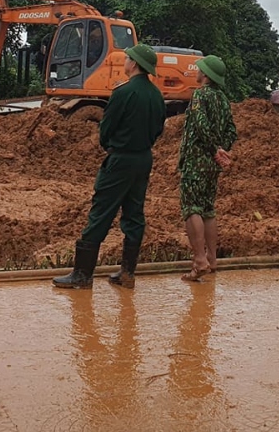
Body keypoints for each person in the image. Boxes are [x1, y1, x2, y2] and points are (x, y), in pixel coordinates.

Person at [53, 43, 166, 290]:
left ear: (134, 64)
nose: (124, 61)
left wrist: (109, 145)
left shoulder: (123, 92)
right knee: (134, 213)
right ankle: (127, 273)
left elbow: (107, 128)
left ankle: (82, 275)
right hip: (143, 158)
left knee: (101, 210)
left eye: (126, 58)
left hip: (120, 160)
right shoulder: (156, 95)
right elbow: (159, 129)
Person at [178, 54, 237, 283]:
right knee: (208, 209)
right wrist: (223, 150)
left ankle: (200, 261)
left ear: (205, 75)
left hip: (196, 161)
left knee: (192, 208)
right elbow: (232, 130)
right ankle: (212, 259)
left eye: (199, 69)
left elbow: (201, 125)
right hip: (213, 166)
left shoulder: (199, 95)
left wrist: (214, 149)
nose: (197, 71)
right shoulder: (222, 99)